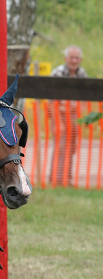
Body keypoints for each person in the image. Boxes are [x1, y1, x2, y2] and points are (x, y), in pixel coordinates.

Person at [50, 46, 87, 186]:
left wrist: (79, 113)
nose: (74, 60)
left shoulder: (82, 74)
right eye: (71, 57)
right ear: (66, 59)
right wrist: (58, 122)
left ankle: (66, 177)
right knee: (60, 146)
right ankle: (56, 178)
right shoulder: (58, 73)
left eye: (76, 58)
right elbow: (51, 99)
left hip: (74, 115)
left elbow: (85, 96)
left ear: (80, 60)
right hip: (58, 113)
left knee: (71, 147)